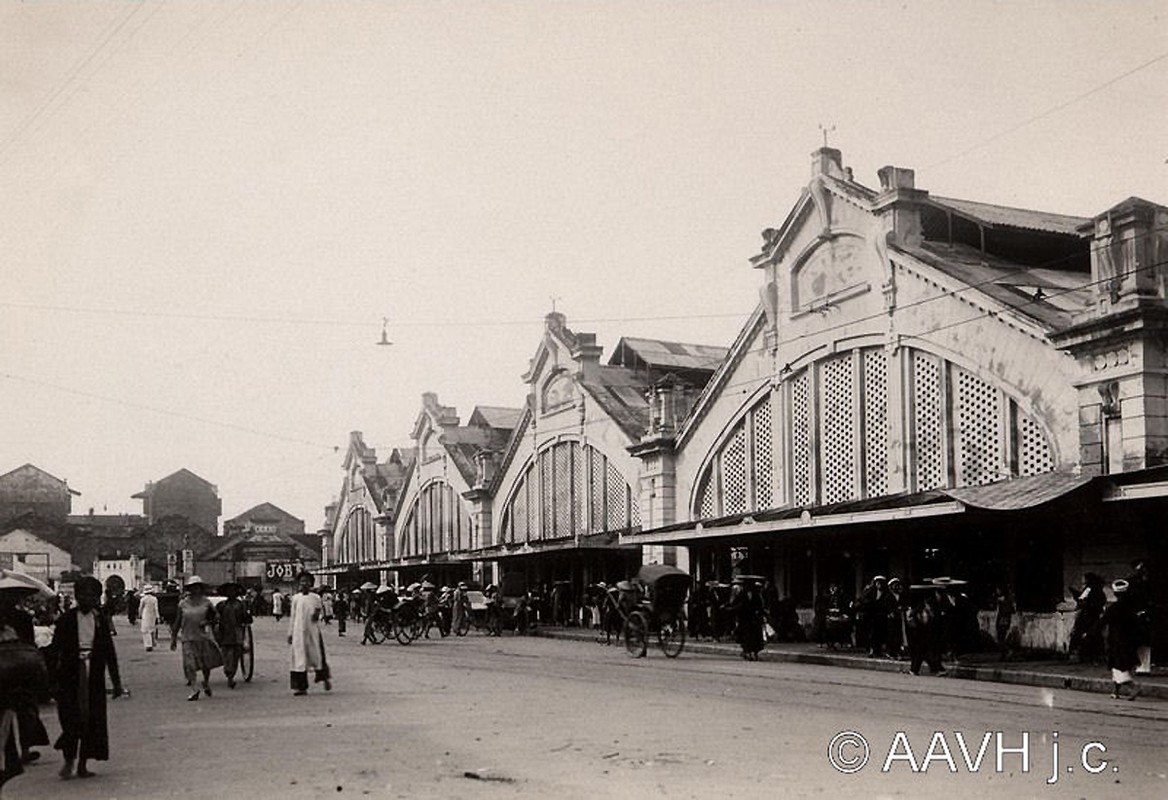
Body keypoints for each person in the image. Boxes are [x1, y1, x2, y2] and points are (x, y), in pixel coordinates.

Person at [51, 576, 123, 780]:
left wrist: (117, 683)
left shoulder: (100, 619)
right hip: (70, 675)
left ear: (97, 597)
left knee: (92, 720)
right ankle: (69, 761)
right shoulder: (66, 619)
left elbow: (109, 652)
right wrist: (52, 681)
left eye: (92, 595)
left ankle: (83, 764)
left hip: (94, 676)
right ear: (76, 596)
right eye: (83, 595)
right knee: (70, 719)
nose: (87, 599)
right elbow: (55, 650)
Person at [0, 595, 49, 768]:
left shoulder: (13, 620)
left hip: (5, 673)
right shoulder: (23, 618)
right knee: (25, 709)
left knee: (6, 712)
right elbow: (30, 645)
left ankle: (9, 751)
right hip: (21, 671)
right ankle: (25, 749)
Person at [169, 576, 222, 701]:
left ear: (201, 588)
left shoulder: (206, 602)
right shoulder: (183, 603)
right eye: (193, 587)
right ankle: (194, 689)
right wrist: (173, 637)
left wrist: (207, 621)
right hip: (187, 638)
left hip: (203, 637)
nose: (195, 590)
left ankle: (206, 682)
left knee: (205, 665)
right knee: (190, 665)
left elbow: (216, 617)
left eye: (197, 587)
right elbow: (177, 621)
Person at [288, 572, 330, 695]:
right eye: (302, 582)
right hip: (298, 632)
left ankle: (324, 678)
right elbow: (293, 616)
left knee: (317, 655)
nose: (304, 584)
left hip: (312, 631)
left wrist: (317, 614)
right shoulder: (295, 598)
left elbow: (319, 613)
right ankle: (301, 687)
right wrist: (290, 632)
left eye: (307, 581)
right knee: (299, 659)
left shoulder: (316, 597)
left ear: (311, 583)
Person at [1101, 579, 1142, 700]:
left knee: (1118, 666)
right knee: (1122, 665)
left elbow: (1102, 622)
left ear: (1115, 593)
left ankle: (1133, 687)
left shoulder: (1113, 608)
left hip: (1117, 640)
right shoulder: (1133, 607)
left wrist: (1088, 633)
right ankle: (1116, 691)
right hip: (1131, 640)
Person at [215, 583, 252, 689]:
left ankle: (231, 676)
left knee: (235, 655)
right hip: (224, 633)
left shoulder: (241, 605)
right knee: (227, 655)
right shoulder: (221, 605)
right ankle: (229, 674)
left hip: (237, 633)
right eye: (229, 591)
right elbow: (214, 616)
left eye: (233, 591)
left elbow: (247, 619)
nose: (231, 593)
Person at [1068, 572, 1106, 663]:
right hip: (1094, 615)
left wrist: (1075, 595)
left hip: (1087, 615)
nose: (1082, 580)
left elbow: (1082, 600)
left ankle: (1079, 655)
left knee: (1080, 634)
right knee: (1095, 635)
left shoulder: (1089, 589)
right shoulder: (1098, 589)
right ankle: (1097, 656)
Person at [724, 576, 765, 660]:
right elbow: (737, 603)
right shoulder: (742, 594)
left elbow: (760, 606)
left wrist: (759, 613)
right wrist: (730, 608)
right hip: (744, 619)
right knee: (745, 636)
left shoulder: (756, 595)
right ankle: (747, 652)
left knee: (755, 636)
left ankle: (755, 652)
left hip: (754, 619)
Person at [138, 586, 159, 651]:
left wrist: (139, 614)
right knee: (152, 629)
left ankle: (148, 645)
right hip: (152, 615)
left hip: (146, 614)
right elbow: (156, 608)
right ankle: (153, 642)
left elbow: (140, 608)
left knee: (146, 630)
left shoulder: (143, 599)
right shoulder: (154, 599)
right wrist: (157, 616)